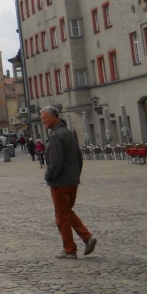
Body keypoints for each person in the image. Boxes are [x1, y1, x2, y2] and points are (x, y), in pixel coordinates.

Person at [41, 105, 97, 260]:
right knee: (67, 212)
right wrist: (75, 175)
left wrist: (49, 176)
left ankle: (70, 249)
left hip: (60, 182)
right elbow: (79, 158)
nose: (43, 121)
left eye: (44, 118)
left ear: (54, 117)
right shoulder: (69, 133)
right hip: (72, 181)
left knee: (61, 217)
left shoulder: (56, 136)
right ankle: (87, 238)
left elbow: (56, 162)